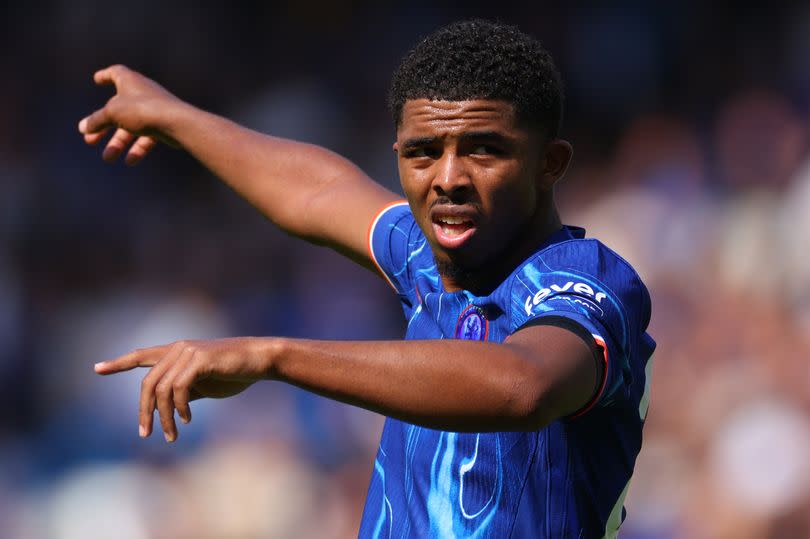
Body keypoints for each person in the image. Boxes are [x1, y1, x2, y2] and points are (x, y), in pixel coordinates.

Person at [80, 20, 655, 538]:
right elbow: (317, 191)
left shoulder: (587, 282)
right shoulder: (436, 258)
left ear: (550, 163)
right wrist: (174, 117)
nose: (448, 178)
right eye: (423, 153)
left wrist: (274, 357)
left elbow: (521, 387)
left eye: (485, 151)